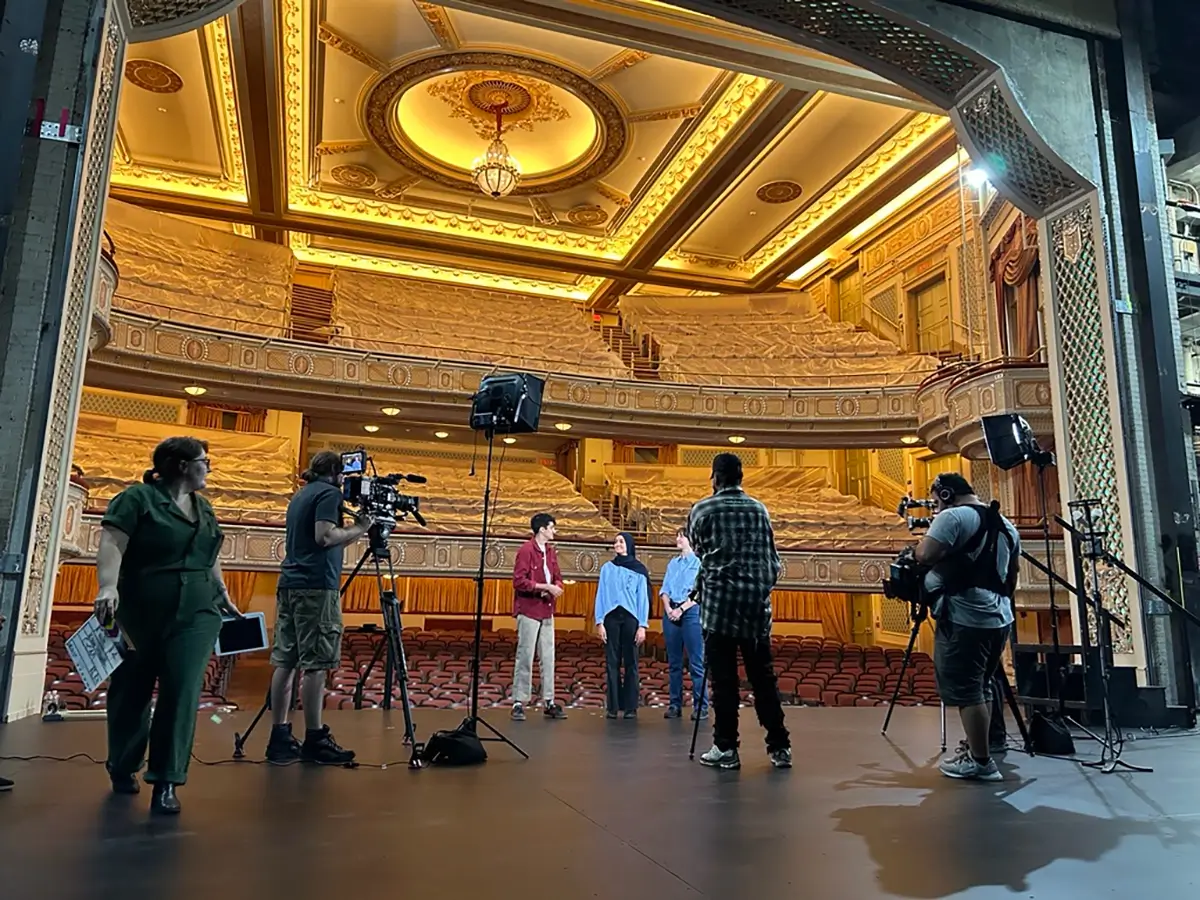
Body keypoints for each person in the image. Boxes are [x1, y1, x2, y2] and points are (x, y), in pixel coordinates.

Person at [93, 436, 242, 814]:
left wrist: (221, 590)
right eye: (204, 461)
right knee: (131, 691)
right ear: (181, 465)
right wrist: (108, 586)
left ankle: (166, 780)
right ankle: (123, 765)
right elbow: (112, 541)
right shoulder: (137, 499)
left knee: (182, 691)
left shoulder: (204, 508)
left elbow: (210, 554)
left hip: (196, 613)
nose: (209, 467)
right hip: (140, 610)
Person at [266, 450, 373, 764]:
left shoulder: (302, 495)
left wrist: (355, 528)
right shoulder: (329, 493)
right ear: (337, 473)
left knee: (286, 661)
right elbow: (325, 536)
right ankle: (315, 738)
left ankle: (280, 738)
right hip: (316, 587)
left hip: (291, 584)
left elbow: (329, 538)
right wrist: (363, 528)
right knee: (316, 664)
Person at [688, 453, 791, 770]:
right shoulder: (759, 509)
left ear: (715, 478)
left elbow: (700, 550)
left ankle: (726, 747)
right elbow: (772, 560)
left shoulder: (703, 509)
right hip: (755, 610)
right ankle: (779, 747)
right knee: (763, 679)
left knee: (723, 682)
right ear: (741, 477)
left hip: (719, 609)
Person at [915, 472, 1019, 782]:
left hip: (966, 618)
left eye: (936, 501)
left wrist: (922, 549)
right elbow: (1011, 575)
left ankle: (981, 761)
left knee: (968, 690)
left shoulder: (954, 517)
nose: (935, 509)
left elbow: (926, 554)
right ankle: (981, 746)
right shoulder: (1006, 524)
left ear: (945, 494)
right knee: (983, 684)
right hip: (999, 617)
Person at [511, 513, 567, 721]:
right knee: (525, 655)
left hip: (547, 610)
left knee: (548, 657)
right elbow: (519, 581)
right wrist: (544, 587)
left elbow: (558, 577)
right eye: (552, 527)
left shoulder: (551, 552)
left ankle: (549, 700)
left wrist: (556, 588)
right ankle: (519, 701)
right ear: (542, 529)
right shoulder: (526, 550)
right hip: (529, 610)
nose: (554, 531)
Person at [595, 532, 650, 719]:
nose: (617, 544)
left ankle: (630, 707)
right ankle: (612, 707)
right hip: (610, 617)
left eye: (621, 541)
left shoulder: (639, 569)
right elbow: (601, 595)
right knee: (612, 663)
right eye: (616, 541)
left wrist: (642, 625)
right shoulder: (606, 568)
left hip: (631, 618)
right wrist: (599, 621)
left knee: (631, 662)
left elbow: (643, 599)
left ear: (628, 544)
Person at [660, 527, 706, 720]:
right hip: (671, 611)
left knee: (696, 662)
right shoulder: (673, 563)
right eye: (677, 535)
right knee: (674, 663)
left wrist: (681, 609)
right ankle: (674, 704)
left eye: (682, 536)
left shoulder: (700, 564)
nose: (678, 539)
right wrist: (669, 609)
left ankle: (700, 707)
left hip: (691, 611)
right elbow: (665, 590)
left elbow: (700, 592)